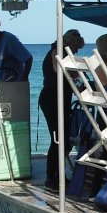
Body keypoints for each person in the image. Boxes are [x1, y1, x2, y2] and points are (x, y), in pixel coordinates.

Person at [38, 30, 85, 189]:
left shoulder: (61, 51)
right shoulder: (58, 51)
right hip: (52, 98)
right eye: (76, 47)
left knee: (64, 138)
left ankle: (57, 174)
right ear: (70, 43)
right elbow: (59, 71)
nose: (77, 51)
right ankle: (52, 178)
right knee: (58, 138)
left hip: (59, 98)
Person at [0, 14, 33, 82]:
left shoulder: (9, 39)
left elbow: (28, 58)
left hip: (17, 84)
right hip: (0, 85)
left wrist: (24, 78)